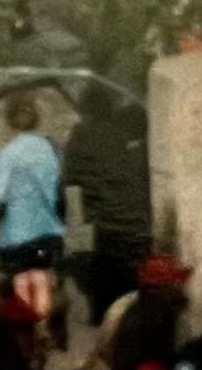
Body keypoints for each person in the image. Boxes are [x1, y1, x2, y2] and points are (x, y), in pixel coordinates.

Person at [65, 85, 153, 327]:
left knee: (108, 275)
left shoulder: (82, 136)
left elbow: (71, 178)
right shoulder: (124, 133)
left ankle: (105, 322)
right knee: (134, 276)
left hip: (108, 219)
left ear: (84, 110)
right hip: (140, 215)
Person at [0, 93, 66, 338]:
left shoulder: (7, 153)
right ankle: (42, 326)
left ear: (11, 122)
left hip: (16, 231)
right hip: (46, 227)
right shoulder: (49, 149)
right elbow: (55, 189)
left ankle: (26, 332)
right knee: (41, 278)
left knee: (21, 280)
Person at [93, 252, 188, 370]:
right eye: (175, 283)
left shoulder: (134, 304)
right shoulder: (152, 317)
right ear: (161, 287)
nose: (180, 288)